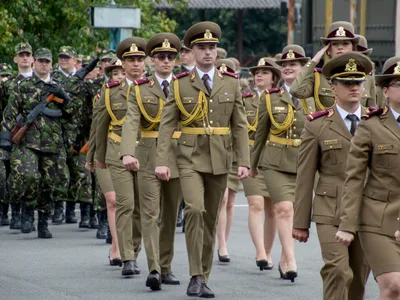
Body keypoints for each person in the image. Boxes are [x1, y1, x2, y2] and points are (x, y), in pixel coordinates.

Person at [155, 21, 249, 298]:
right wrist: (162, 160)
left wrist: (243, 161)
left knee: (210, 220)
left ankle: (203, 276)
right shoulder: (180, 84)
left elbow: (240, 125)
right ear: (192, 52)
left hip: (220, 157)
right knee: (194, 210)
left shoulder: (230, 83)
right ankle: (195, 274)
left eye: (212, 47)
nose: (208, 52)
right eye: (202, 48)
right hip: (189, 156)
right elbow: (166, 124)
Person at [293, 52, 372, 300]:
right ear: (332, 87)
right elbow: (305, 176)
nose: (354, 88)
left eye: (358, 82)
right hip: (330, 210)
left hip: (367, 210)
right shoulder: (317, 125)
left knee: (359, 276)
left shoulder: (377, 123)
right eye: (347, 83)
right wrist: (300, 222)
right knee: (338, 271)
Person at [120, 32, 182, 291]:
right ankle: (154, 268)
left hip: (177, 156)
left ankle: (166, 267)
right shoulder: (140, 88)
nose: (165, 61)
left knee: (169, 216)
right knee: (149, 214)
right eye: (160, 57)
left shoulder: (183, 85)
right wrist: (127, 152)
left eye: (170, 57)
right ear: (152, 60)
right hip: (147, 154)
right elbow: (132, 120)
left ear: (175, 61)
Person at [250, 44, 316, 282]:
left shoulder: (314, 97)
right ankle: (289, 259)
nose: (288, 68)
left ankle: (284, 258)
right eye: (285, 65)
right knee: (283, 209)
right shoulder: (270, 98)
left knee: (297, 212)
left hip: (305, 162)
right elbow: (260, 134)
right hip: (275, 162)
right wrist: (253, 165)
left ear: (303, 69)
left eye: (294, 65)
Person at [336, 56, 400, 300]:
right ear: (385, 91)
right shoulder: (371, 126)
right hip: (378, 219)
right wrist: (347, 225)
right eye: (398, 84)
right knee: (394, 286)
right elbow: (354, 178)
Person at [0, 48, 71, 238]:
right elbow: (10, 113)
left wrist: (64, 97)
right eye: (40, 61)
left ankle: (43, 222)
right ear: (34, 62)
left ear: (51, 64)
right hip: (27, 143)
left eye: (47, 62)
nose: (44, 64)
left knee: (49, 184)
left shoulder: (58, 87)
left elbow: (72, 114)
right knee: (29, 177)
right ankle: (28, 211)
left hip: (52, 144)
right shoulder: (23, 86)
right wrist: (5, 138)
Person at [95, 37, 145, 277]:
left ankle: (133, 249)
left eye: (139, 60)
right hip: (116, 153)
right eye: (130, 60)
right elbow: (100, 126)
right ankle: (128, 257)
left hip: (147, 153)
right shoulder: (111, 93)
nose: (135, 64)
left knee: (141, 209)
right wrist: (97, 157)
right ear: (123, 64)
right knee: (125, 204)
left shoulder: (157, 89)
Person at [242, 57, 281, 271]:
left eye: (265, 72)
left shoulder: (280, 100)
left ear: (274, 78)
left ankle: (268, 251)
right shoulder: (246, 100)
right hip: (250, 155)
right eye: (257, 72)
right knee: (255, 203)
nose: (259, 75)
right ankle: (260, 252)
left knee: (273, 209)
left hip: (274, 156)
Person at [86, 58, 125, 266]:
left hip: (130, 152)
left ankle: (126, 246)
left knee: (128, 203)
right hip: (107, 150)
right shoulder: (104, 94)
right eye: (115, 73)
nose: (119, 77)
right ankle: (116, 247)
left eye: (122, 73)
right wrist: (92, 155)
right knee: (113, 201)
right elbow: (97, 126)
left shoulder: (138, 92)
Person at [290, 21, 376, 109]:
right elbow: (296, 91)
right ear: (328, 50)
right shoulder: (318, 77)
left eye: (345, 43)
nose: (340, 47)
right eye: (335, 44)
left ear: (353, 48)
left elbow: (372, 112)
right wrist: (314, 61)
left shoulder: (366, 78)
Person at [52, 46, 93, 227]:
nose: (63, 60)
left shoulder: (83, 80)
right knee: (61, 172)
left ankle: (84, 212)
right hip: (58, 131)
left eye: (67, 57)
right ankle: (61, 209)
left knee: (82, 172)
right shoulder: (52, 79)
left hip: (79, 132)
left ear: (74, 59)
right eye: (61, 57)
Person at [2, 42, 35, 230]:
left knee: (30, 174)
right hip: (13, 133)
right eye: (21, 54)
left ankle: (27, 212)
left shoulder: (41, 82)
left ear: (32, 59)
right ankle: (15, 211)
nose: (24, 58)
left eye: (27, 55)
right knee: (13, 174)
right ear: (15, 59)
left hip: (34, 135)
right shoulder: (8, 84)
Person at [214, 58, 238, 263]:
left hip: (234, 153)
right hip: (218, 150)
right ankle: (221, 243)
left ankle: (225, 241)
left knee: (230, 202)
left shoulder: (235, 91)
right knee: (222, 198)